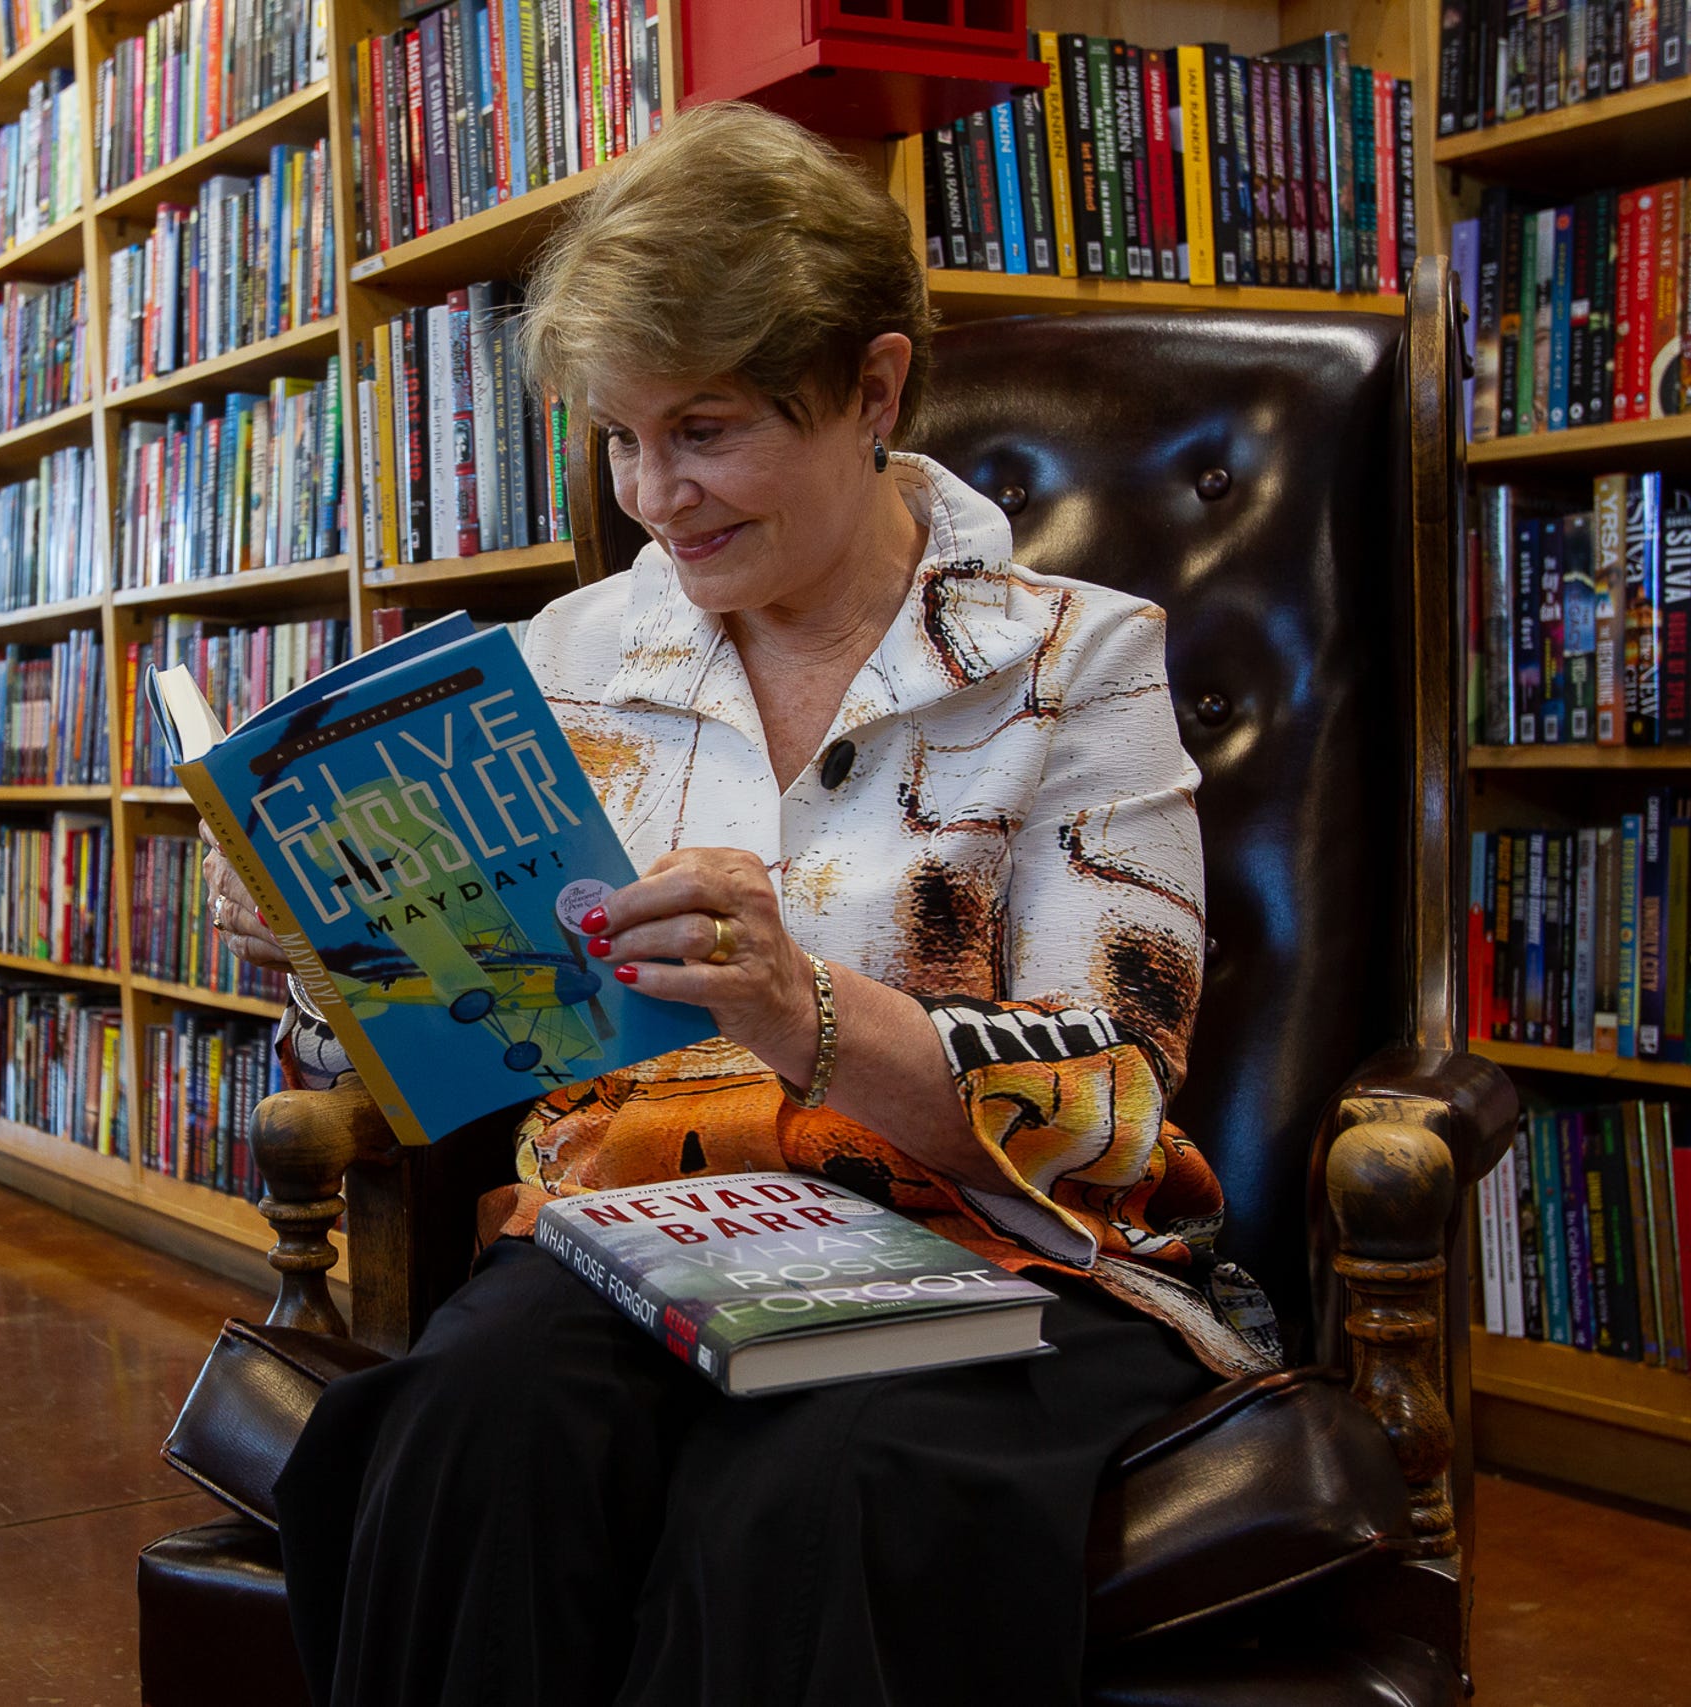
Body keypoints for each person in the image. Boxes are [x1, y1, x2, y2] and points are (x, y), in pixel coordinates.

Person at [198, 100, 1282, 1707]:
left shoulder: (1077, 660)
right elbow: (463, 1045)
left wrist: (801, 1013)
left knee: (806, 1488)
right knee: (462, 1431)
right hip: (632, 1239)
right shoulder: (559, 669)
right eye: (621, 438)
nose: (655, 494)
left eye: (704, 430)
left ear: (875, 385)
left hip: (1001, 1261)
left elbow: (1111, 1107)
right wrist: (327, 956)